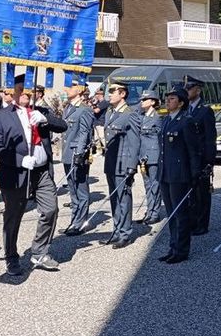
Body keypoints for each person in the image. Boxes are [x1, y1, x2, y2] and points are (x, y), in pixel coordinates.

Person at [0, 81, 68, 275]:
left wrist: (45, 119)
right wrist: (20, 160)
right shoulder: (0, 117)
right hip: (16, 173)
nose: (26, 93)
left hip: (41, 172)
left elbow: (62, 126)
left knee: (50, 210)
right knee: (13, 216)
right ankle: (11, 257)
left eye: (28, 90)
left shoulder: (40, 111)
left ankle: (39, 251)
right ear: (12, 92)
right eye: (21, 90)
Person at [157, 84, 202, 264]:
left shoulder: (186, 121)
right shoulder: (166, 120)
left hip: (179, 174)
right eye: (167, 98)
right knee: (171, 213)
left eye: (172, 98)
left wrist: (195, 173)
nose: (168, 101)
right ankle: (173, 246)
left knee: (180, 213)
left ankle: (181, 249)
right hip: (165, 173)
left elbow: (193, 150)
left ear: (181, 103)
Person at [100, 80, 141, 249]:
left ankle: (125, 233)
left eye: (113, 91)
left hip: (123, 163)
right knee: (114, 198)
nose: (109, 94)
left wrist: (132, 166)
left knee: (123, 198)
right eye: (109, 91)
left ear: (122, 94)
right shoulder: (110, 112)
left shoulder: (130, 114)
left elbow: (134, 142)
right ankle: (117, 230)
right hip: (111, 162)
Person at [59, 79, 96, 236]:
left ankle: (80, 223)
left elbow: (84, 133)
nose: (67, 88)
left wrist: (80, 153)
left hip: (77, 154)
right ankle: (74, 220)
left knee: (80, 188)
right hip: (68, 153)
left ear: (79, 90)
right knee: (72, 189)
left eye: (71, 86)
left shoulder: (84, 110)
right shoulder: (68, 107)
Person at [184, 75, 217, 236]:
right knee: (190, 192)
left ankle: (202, 224)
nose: (186, 91)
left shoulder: (205, 111)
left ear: (197, 90)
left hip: (201, 157)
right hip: (188, 158)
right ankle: (192, 221)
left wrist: (210, 161)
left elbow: (210, 138)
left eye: (189, 88)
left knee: (201, 193)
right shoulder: (185, 110)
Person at [137, 89, 164, 225]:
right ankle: (149, 211)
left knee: (155, 185)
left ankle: (155, 213)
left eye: (145, 100)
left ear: (153, 102)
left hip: (153, 155)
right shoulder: (141, 117)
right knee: (147, 185)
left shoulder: (157, 118)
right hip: (143, 155)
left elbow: (159, 138)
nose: (142, 102)